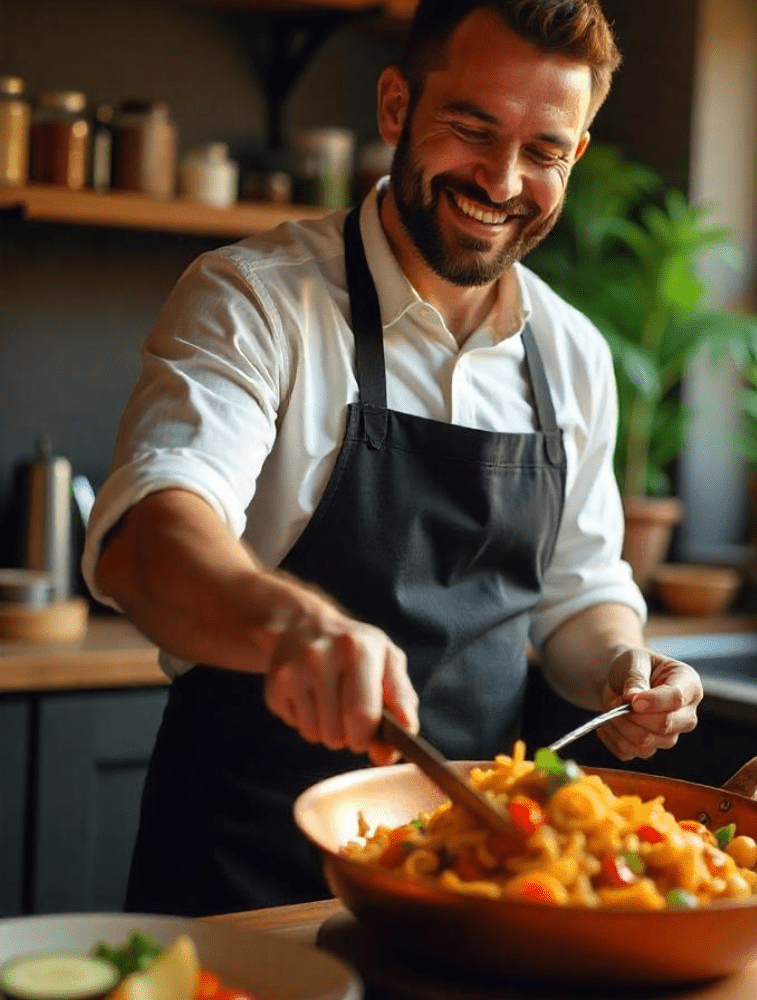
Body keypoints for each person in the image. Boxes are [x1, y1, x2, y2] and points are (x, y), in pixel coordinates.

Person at [82, 0, 704, 918]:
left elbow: (579, 592)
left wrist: (623, 666)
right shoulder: (254, 299)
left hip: (475, 882)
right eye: (473, 129)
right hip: (249, 878)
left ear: (573, 155)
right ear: (394, 106)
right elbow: (150, 539)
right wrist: (292, 624)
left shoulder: (573, 352)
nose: (502, 180)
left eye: (543, 152)